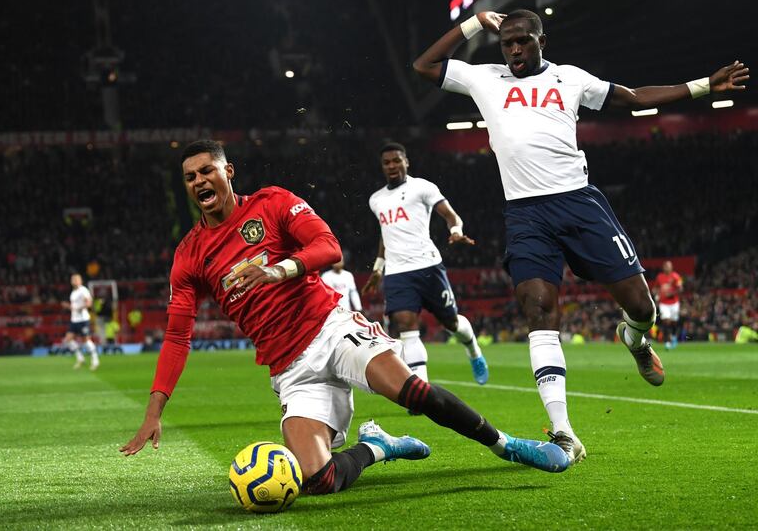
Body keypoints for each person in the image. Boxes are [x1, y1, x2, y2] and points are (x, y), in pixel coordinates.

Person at [120, 140, 572, 495]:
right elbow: (178, 337)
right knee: (317, 481)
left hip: (332, 329)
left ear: (227, 172)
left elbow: (328, 248)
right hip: (290, 368)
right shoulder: (190, 256)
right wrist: (152, 412)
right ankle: (378, 445)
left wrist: (276, 269)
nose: (199, 180)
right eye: (189, 176)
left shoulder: (272, 203)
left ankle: (506, 445)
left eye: (207, 170)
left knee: (412, 390)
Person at [413, 9, 749, 464]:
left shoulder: (570, 79)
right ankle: (564, 431)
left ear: (541, 42)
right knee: (538, 308)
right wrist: (474, 23)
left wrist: (705, 86)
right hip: (526, 214)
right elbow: (425, 66)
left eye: (522, 42)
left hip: (579, 204)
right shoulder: (483, 78)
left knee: (641, 307)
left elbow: (632, 97)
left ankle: (634, 338)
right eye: (507, 43)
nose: (513, 50)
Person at [362, 143, 489, 386]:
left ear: (406, 162)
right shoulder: (376, 200)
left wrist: (456, 231)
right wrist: (378, 268)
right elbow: (385, 234)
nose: (392, 165)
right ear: (382, 167)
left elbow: (450, 215)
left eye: (396, 160)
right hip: (398, 272)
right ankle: (422, 391)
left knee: (451, 323)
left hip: (428, 267)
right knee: (406, 325)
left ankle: (473, 350)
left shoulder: (422, 187)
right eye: (387, 162)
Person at [61, 273, 99, 371]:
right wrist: (68, 306)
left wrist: (79, 307)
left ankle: (95, 360)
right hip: (74, 320)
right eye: (72, 279)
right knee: (68, 339)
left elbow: (89, 303)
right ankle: (80, 358)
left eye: (76, 279)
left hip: (83, 319)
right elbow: (74, 307)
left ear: (80, 281)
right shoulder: (73, 292)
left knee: (86, 340)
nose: (74, 281)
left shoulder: (83, 290)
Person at [654, 260, 684, 349]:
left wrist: (671, 293)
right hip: (664, 303)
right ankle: (667, 341)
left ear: (671, 267)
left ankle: (674, 336)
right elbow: (656, 287)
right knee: (666, 321)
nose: (667, 267)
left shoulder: (676, 276)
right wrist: (656, 293)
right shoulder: (659, 277)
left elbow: (680, 289)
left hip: (674, 303)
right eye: (665, 266)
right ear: (663, 267)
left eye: (668, 266)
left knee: (674, 322)